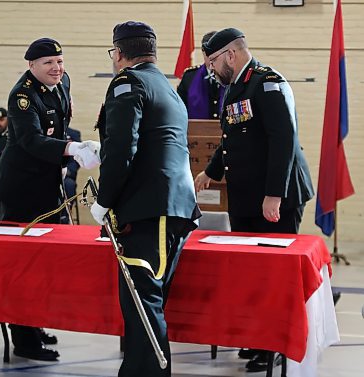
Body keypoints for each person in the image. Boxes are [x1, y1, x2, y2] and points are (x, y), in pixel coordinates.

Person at [194, 27, 314, 373]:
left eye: (213, 63)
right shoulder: (236, 87)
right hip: (247, 197)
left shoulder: (268, 82)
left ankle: (275, 346)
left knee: (273, 277)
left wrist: (273, 195)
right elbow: (233, 137)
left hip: (276, 197)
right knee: (250, 273)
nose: (211, 71)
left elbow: (283, 140)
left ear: (230, 54)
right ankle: (257, 339)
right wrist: (211, 172)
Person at [90, 21, 200, 377]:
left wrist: (104, 200)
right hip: (171, 206)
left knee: (142, 307)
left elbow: (122, 149)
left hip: (151, 209)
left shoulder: (128, 82)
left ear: (118, 53)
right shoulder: (167, 87)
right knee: (146, 306)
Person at [0, 37, 100, 361]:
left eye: (60, 61)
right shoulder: (22, 96)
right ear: (31, 66)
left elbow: (60, 122)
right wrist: (71, 148)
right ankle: (23, 339)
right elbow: (30, 139)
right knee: (22, 267)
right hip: (21, 191)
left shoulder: (61, 83)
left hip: (45, 187)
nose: (57, 68)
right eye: (48, 63)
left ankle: (34, 324)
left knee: (42, 265)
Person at [177, 31, 226, 120]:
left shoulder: (232, 77)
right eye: (209, 54)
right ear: (203, 51)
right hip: (196, 131)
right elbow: (179, 110)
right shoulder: (190, 77)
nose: (213, 58)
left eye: (217, 54)